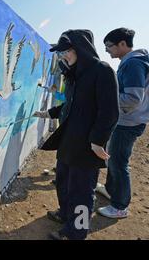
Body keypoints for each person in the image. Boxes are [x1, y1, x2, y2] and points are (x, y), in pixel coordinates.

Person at [33, 29, 119, 240]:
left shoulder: (102, 71)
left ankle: (76, 232)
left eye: (67, 51)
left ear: (81, 49)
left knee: (81, 192)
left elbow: (110, 112)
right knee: (63, 182)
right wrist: (49, 113)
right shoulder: (73, 74)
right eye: (62, 52)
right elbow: (70, 106)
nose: (63, 55)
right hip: (68, 142)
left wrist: (98, 142)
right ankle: (65, 214)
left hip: (87, 147)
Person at [96, 28, 149, 218]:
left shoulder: (134, 64)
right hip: (126, 119)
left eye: (109, 46)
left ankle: (120, 206)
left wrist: (105, 98)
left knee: (119, 162)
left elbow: (133, 98)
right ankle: (111, 189)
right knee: (113, 157)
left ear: (122, 44)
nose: (107, 50)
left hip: (129, 123)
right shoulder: (131, 62)